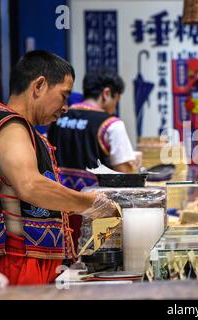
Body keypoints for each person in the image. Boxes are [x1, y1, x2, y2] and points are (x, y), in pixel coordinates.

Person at [0, 50, 118, 285]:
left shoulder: (27, 129)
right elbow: (30, 186)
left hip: (32, 262)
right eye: (64, 96)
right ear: (39, 85)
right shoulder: (11, 126)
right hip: (17, 263)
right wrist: (90, 203)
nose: (66, 107)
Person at [47, 67, 139, 251]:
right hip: (95, 215)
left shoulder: (58, 118)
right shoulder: (111, 124)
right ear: (107, 93)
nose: (114, 106)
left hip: (58, 209)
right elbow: (125, 176)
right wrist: (135, 165)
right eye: (116, 100)